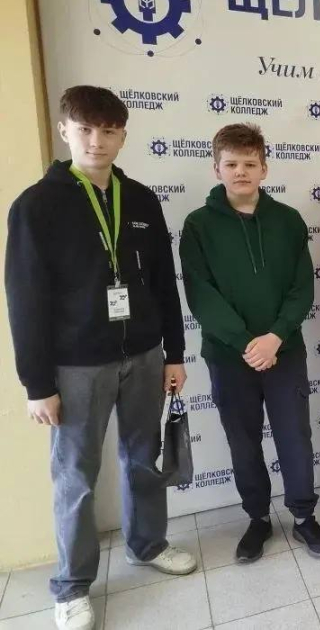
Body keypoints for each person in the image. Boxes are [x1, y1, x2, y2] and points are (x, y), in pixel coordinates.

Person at [5, 86, 196, 630]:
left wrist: (174, 352)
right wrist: (37, 384)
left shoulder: (141, 200)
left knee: (143, 459)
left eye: (109, 131)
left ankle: (147, 544)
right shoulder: (36, 205)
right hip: (75, 367)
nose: (97, 141)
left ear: (123, 136)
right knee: (76, 477)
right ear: (65, 131)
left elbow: (163, 284)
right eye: (85, 129)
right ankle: (71, 585)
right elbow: (24, 300)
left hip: (144, 356)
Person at [179, 123, 320, 561]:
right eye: (231, 164)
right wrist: (248, 343)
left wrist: (275, 337)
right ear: (217, 169)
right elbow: (201, 294)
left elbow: (302, 288)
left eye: (250, 164)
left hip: (284, 352)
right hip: (229, 356)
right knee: (243, 441)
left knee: (295, 437)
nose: (241, 172)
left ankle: (304, 516)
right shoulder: (198, 225)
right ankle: (258, 519)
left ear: (264, 169)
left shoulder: (288, 220)